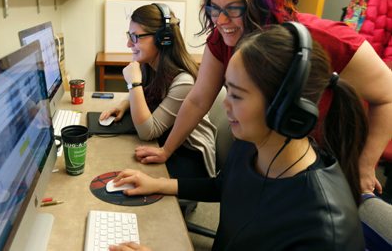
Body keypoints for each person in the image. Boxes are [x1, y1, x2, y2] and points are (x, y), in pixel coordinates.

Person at [134, 0, 392, 194]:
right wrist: (166, 150)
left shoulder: (325, 38)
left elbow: (387, 95)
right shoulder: (222, 37)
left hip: (315, 165)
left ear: (264, 4)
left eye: (234, 10)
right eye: (214, 9)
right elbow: (199, 98)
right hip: (262, 156)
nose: (221, 21)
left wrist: (366, 166)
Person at [110, 25, 366, 251]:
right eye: (227, 90)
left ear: (284, 106)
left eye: (237, 95)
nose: (226, 105)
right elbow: (224, 186)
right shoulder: (251, 145)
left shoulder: (323, 229)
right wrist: (158, 184)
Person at [100, 3, 216, 178]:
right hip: (163, 142)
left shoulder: (183, 81)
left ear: (163, 39)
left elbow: (148, 132)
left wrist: (134, 84)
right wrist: (125, 104)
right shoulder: (151, 65)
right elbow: (148, 94)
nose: (128, 43)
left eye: (135, 36)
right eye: (129, 35)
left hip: (188, 155)